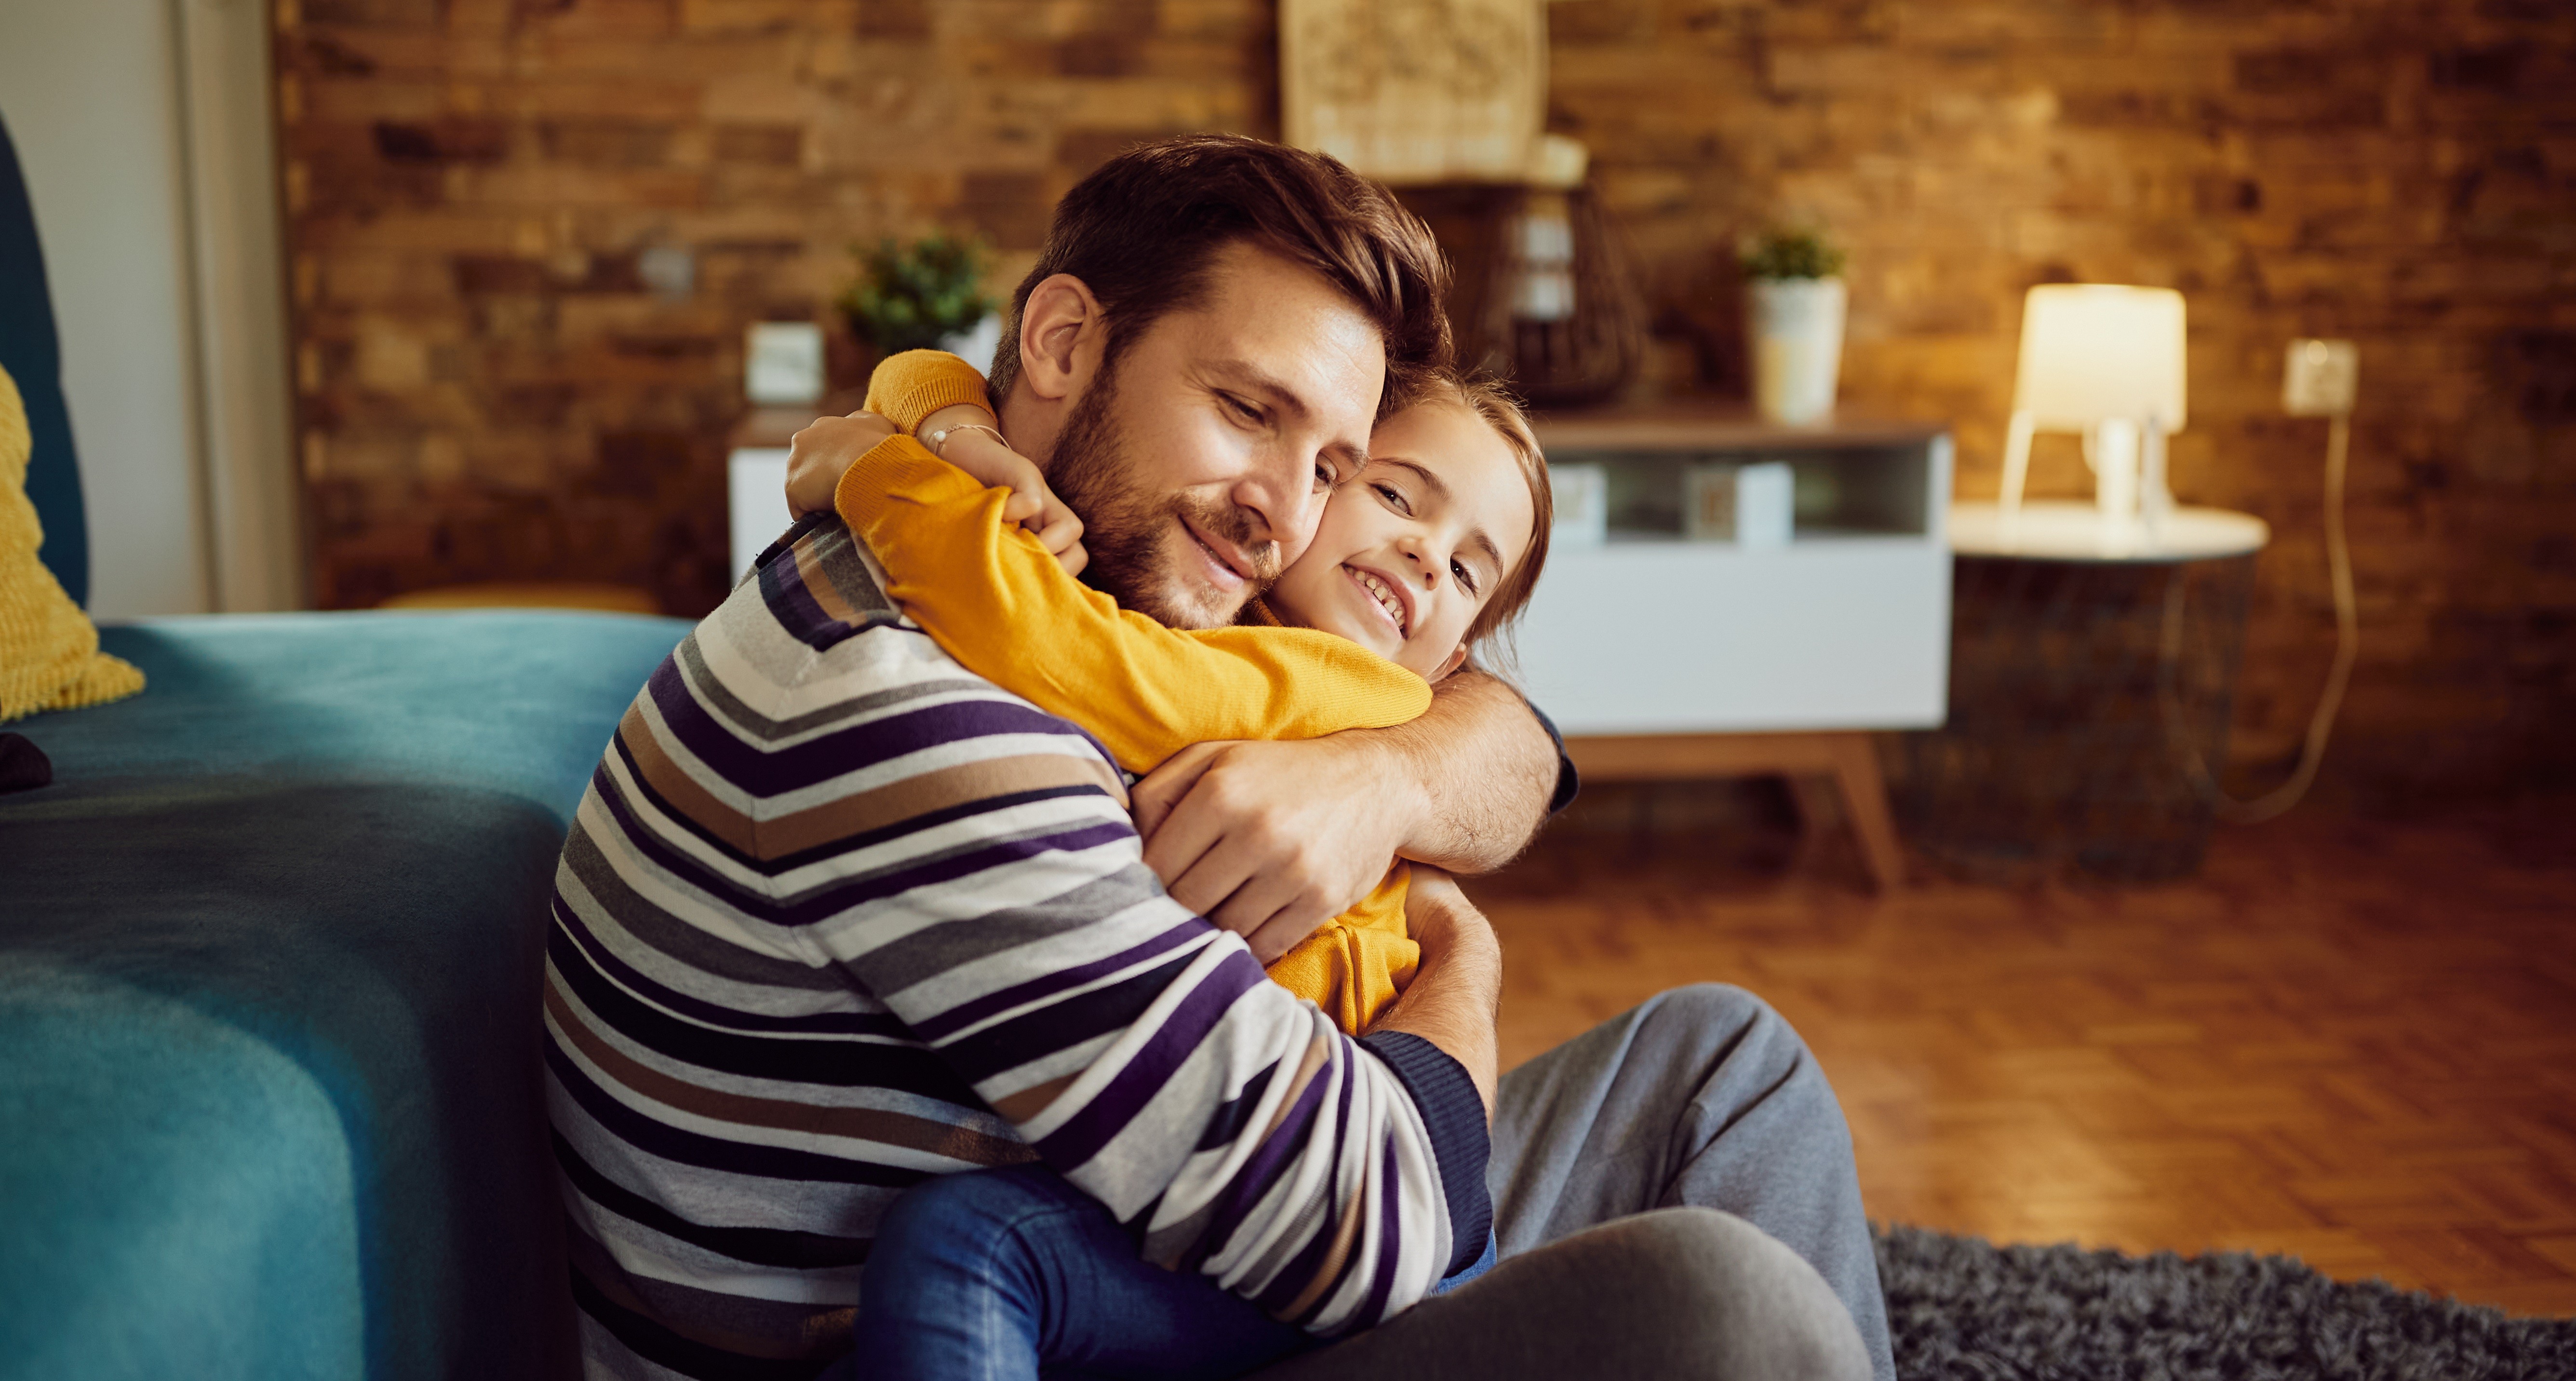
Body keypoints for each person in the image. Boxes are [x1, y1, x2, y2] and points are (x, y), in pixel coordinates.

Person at [544, 134, 1887, 1381]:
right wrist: (1466, 962)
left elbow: (1497, 724)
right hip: (1063, 1316)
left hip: (1181, 1204)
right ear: (1064, 343)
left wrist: (1392, 781)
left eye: (1333, 465)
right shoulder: (925, 727)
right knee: (1724, 1305)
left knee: (1727, 1061)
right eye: (1249, 409)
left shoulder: (1000, 548)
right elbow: (1374, 1231)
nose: (1281, 515)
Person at [786, 348, 1553, 1037]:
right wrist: (968, 439)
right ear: (1313, 485)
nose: (1427, 553)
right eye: (1396, 496)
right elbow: (918, 368)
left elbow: (1070, 654)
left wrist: (883, 474)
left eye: (1463, 572)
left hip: (1293, 1099)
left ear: (1449, 661)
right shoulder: (1207, 596)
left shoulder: (1356, 686)